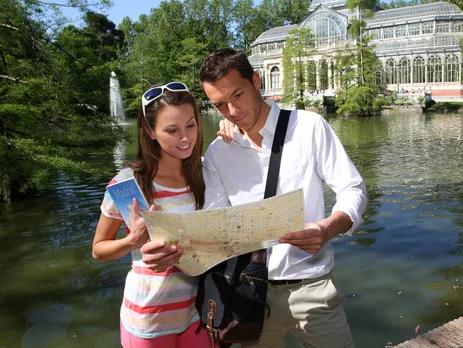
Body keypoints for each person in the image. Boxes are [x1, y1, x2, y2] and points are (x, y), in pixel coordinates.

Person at [141, 49, 368, 347]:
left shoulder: (309, 128)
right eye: (220, 104)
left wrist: (328, 228)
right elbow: (216, 228)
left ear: (257, 81)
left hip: (312, 289)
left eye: (238, 95)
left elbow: (353, 189)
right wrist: (171, 251)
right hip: (247, 295)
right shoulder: (218, 153)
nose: (233, 111)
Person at [92, 82, 213, 347]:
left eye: (190, 125)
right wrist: (132, 241)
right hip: (148, 319)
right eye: (172, 130)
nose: (185, 138)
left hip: (198, 311)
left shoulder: (207, 173)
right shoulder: (127, 184)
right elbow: (98, 251)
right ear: (149, 131)